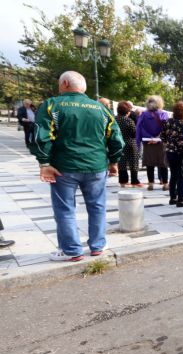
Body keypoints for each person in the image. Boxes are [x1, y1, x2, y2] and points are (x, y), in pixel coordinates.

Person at [30, 71, 123, 261]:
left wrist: (44, 162)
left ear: (64, 83)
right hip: (96, 166)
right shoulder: (100, 108)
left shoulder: (52, 105)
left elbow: (41, 136)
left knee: (65, 209)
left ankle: (72, 250)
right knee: (97, 206)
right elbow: (116, 138)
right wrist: (113, 161)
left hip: (64, 166)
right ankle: (98, 245)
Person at [161, 102, 183, 208]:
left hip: (170, 152)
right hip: (181, 152)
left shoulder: (167, 122)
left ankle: (172, 198)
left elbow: (162, 137)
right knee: (181, 175)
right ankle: (180, 199)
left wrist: (170, 143)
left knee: (173, 175)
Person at [136, 95, 169, 191]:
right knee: (163, 163)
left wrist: (148, 138)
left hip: (148, 143)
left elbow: (139, 128)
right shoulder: (164, 114)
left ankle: (151, 183)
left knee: (150, 164)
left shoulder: (144, 115)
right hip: (160, 143)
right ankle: (165, 184)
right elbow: (166, 128)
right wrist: (157, 137)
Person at [115, 101, 142, 188]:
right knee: (133, 162)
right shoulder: (129, 120)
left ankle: (123, 181)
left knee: (122, 162)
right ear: (127, 111)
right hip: (130, 143)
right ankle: (134, 181)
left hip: (119, 143)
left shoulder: (114, 120)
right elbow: (134, 133)